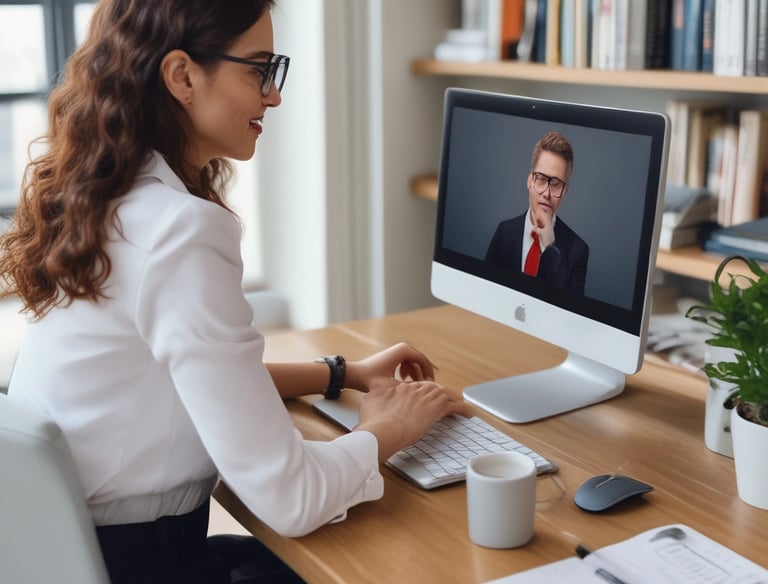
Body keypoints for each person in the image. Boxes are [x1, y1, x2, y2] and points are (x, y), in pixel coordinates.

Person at [0, 1, 468, 582]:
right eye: (257, 69)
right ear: (181, 76)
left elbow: (191, 379)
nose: (273, 95)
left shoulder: (108, 196)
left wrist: (343, 373)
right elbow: (290, 498)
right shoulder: (177, 231)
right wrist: (388, 427)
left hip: (64, 552)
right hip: (138, 564)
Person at [485, 131, 589, 295]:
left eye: (556, 184)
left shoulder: (578, 250)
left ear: (564, 192)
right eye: (541, 178)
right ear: (530, 181)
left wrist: (549, 248)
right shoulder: (504, 232)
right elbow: (486, 293)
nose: (547, 194)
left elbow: (567, 315)